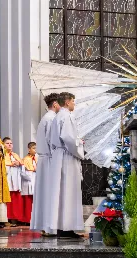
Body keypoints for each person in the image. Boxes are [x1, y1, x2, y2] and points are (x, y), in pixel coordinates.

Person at [48, 92, 84, 238]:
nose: (74, 104)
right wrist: (80, 144)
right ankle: (67, 227)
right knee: (69, 191)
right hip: (67, 157)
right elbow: (68, 139)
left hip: (58, 156)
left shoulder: (58, 116)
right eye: (73, 101)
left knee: (61, 192)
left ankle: (61, 226)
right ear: (67, 102)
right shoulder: (67, 116)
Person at [30, 93, 60, 236]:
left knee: (45, 194)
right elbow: (54, 142)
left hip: (44, 159)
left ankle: (46, 226)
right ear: (55, 104)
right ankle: (50, 227)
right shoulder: (52, 119)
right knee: (51, 193)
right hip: (50, 159)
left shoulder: (45, 118)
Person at [3, 137, 23, 226]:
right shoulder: (1, 155)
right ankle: (6, 218)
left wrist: (19, 164)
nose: (10, 145)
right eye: (7, 143)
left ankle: (15, 218)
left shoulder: (15, 155)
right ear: (3, 145)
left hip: (15, 180)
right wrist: (11, 164)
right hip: (7, 180)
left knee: (15, 199)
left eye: (11, 143)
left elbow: (24, 167)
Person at [20, 142, 37, 224]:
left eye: (36, 148)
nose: (35, 150)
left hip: (36, 181)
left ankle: (35, 219)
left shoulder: (37, 158)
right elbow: (22, 172)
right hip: (29, 182)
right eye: (34, 148)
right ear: (29, 149)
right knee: (28, 202)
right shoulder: (25, 159)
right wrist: (30, 176)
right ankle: (27, 219)